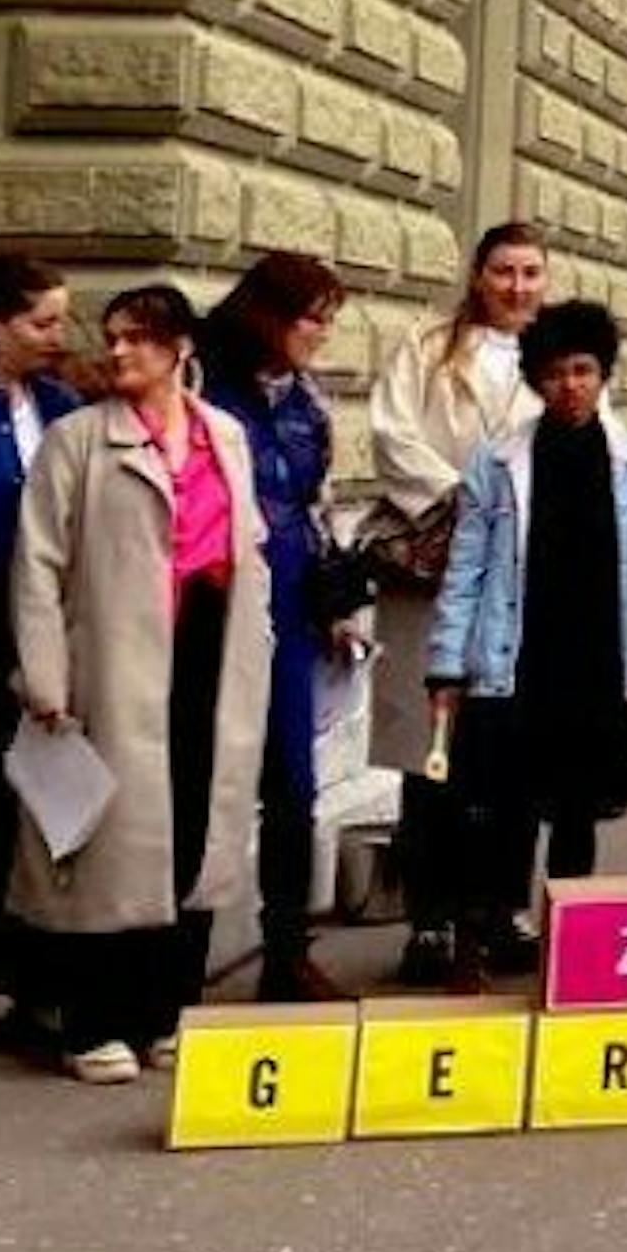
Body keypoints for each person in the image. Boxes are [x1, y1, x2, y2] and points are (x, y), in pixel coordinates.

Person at [7, 284, 273, 1080]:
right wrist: (46, 676)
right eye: (113, 337)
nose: (118, 351)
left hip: (207, 649)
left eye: (138, 339)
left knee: (194, 830)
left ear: (179, 348)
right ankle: (95, 1023)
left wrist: (254, 636)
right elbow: (38, 564)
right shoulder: (78, 440)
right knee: (108, 846)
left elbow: (248, 542)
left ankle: (168, 1013)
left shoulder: (225, 434)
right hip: (114, 661)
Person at [427, 302, 627, 963]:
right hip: (521, 651)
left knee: (580, 799)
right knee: (512, 797)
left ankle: (569, 914)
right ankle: (506, 917)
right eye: (555, 373)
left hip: (599, 652)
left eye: (583, 370)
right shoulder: (497, 461)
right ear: (535, 381)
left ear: (603, 374)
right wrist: (448, 665)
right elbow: (466, 567)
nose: (570, 385)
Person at [366, 220, 542, 986]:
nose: (517, 287)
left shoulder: (556, 356)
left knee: (512, 758)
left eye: (531, 272)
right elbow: (393, 435)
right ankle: (431, 917)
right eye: (504, 271)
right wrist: (466, 504)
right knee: (433, 757)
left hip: (523, 585)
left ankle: (501, 909)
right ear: (479, 276)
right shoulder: (429, 349)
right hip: (440, 570)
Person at [196, 252, 359, 1002]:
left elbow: (314, 508)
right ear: (269, 314)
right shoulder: (204, 388)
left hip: (289, 611)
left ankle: (286, 950)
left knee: (294, 786)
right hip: (213, 608)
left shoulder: (304, 404)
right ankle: (174, 958)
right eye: (311, 318)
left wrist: (333, 605)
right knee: (200, 782)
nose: (321, 334)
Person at [0, 253, 82, 1034]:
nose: (60, 336)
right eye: (41, 322)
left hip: (39, 628)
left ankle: (26, 970)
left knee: (42, 805)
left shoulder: (53, 404)